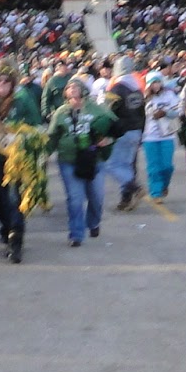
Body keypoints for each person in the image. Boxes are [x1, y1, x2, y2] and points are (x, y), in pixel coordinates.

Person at [0, 62, 40, 263]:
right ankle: (6, 229)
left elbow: (36, 124)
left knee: (15, 198)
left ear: (13, 83)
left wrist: (21, 133)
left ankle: (16, 240)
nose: (1, 85)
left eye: (6, 81)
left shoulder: (22, 100)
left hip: (16, 157)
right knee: (0, 198)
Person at [46, 77, 116, 246]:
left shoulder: (97, 109)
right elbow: (52, 137)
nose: (72, 89)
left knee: (97, 196)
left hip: (94, 160)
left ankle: (93, 222)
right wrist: (44, 155)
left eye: (75, 86)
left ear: (84, 91)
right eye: (69, 87)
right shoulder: (61, 112)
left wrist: (108, 139)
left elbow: (115, 127)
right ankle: (76, 234)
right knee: (75, 198)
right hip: (68, 160)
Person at [104, 54, 147, 212]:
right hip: (136, 131)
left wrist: (106, 132)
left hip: (122, 131)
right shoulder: (137, 89)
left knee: (112, 165)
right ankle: (126, 199)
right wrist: (141, 132)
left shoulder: (116, 88)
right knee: (127, 165)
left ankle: (134, 187)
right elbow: (143, 113)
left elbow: (108, 112)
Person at [140, 70, 183, 200]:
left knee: (167, 167)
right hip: (149, 137)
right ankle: (156, 193)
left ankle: (164, 185)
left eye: (158, 82)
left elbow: (179, 110)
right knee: (153, 168)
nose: (156, 85)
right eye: (153, 83)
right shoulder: (144, 98)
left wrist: (166, 112)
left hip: (167, 135)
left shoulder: (169, 95)